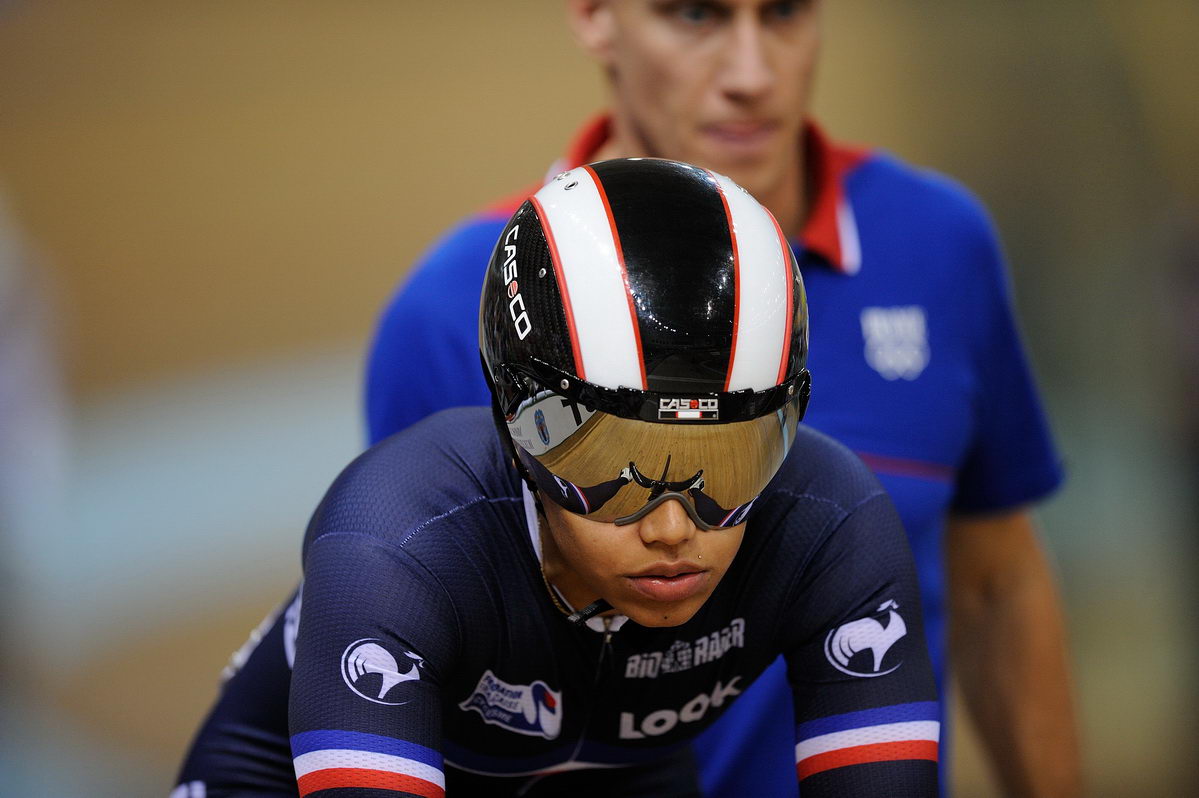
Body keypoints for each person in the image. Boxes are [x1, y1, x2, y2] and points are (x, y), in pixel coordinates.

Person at [362, 3, 1080, 796]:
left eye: (783, 14)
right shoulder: (449, 310)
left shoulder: (936, 243)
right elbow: (420, 672)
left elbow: (994, 584)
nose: (752, 74)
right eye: (695, 15)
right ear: (596, 18)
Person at [176, 159, 940, 796]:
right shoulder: (396, 541)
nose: (674, 528)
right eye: (613, 469)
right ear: (517, 422)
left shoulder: (830, 522)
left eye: (729, 465)